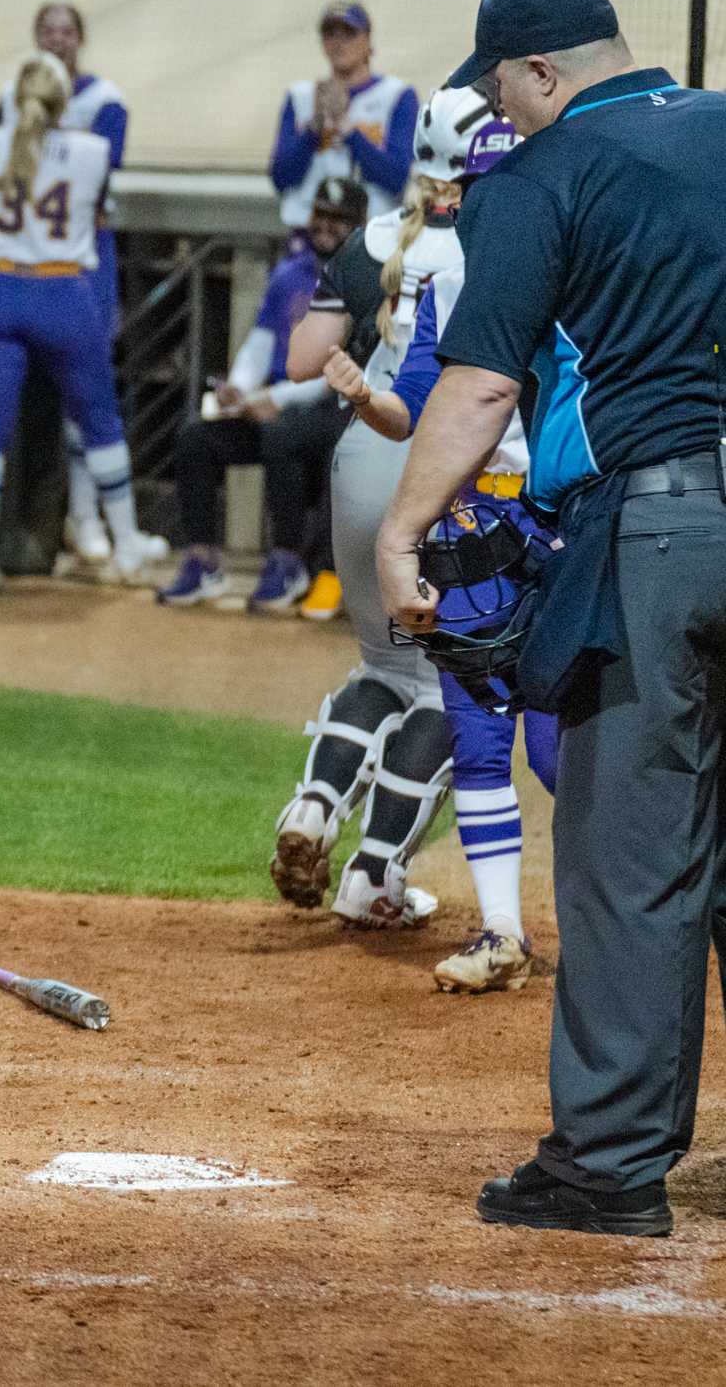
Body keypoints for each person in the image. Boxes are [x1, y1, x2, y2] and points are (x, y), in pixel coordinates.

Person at [376, 0, 726, 1236]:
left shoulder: (542, 177)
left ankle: (609, 1166)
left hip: (660, 528)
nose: (500, 115)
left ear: (540, 73)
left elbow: (477, 384)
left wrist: (402, 529)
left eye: (501, 90)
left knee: (630, 858)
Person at [273, 86, 503, 932]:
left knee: (382, 667)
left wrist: (371, 341)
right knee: (450, 692)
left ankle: (313, 806)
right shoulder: (505, 240)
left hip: (366, 454)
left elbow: (304, 357)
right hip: (451, 470)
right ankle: (374, 873)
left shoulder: (378, 236)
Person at [326, 239, 558, 994]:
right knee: (480, 739)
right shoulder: (452, 279)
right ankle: (502, 934)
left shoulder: (580, 257)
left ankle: (627, 926)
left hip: (558, 519)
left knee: (565, 754)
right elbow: (416, 407)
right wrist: (364, 397)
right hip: (468, 522)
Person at [0, 53, 156, 592]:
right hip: (61, 290)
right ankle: (127, 544)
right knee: (99, 421)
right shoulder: (91, 150)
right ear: (64, 100)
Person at [157, 177, 366, 611]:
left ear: (357, 224)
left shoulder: (362, 279)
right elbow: (263, 339)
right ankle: (203, 561)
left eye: (338, 219)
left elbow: (345, 367)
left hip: (332, 408)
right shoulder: (291, 272)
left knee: (281, 436)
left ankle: (288, 562)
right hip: (275, 399)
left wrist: (279, 400)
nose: (326, 226)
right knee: (196, 438)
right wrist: (242, 389)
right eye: (320, 215)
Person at [0, 2, 134, 563]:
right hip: (22, 263)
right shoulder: (11, 96)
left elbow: (97, 176)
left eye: (67, 32)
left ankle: (87, 515)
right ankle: (35, 526)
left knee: (89, 390)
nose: (57, 41)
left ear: (81, 39)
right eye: (47, 31)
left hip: (84, 259)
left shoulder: (105, 101)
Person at [269, 1, 418, 231]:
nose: (338, 43)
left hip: (371, 232)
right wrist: (313, 132)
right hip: (309, 233)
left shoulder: (396, 95)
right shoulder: (301, 97)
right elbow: (280, 178)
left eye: (349, 34)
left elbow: (397, 178)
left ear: (367, 40)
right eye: (330, 34)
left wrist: (351, 133)